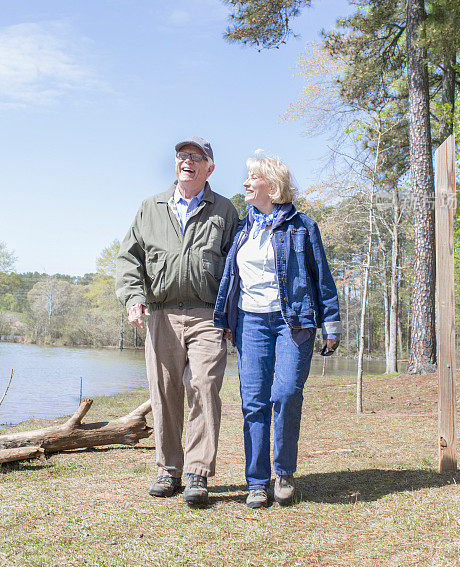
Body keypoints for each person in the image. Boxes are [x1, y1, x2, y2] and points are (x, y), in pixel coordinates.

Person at [116, 137, 239, 507]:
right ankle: (168, 469)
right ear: (176, 164)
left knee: (204, 386)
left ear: (210, 168)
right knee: (164, 391)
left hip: (208, 314)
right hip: (162, 313)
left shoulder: (225, 211)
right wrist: (134, 297)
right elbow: (127, 260)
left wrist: (234, 314)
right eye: (183, 155)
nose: (187, 161)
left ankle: (197, 472)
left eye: (197, 157)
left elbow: (237, 268)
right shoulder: (149, 208)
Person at [213, 154, 341, 509]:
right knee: (253, 402)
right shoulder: (241, 228)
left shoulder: (303, 227)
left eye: (252, 177)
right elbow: (229, 279)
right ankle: (257, 481)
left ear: (271, 185)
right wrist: (224, 319)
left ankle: (284, 471)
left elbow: (322, 278)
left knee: (285, 394)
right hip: (250, 322)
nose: (245, 184)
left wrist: (330, 324)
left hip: (293, 322)